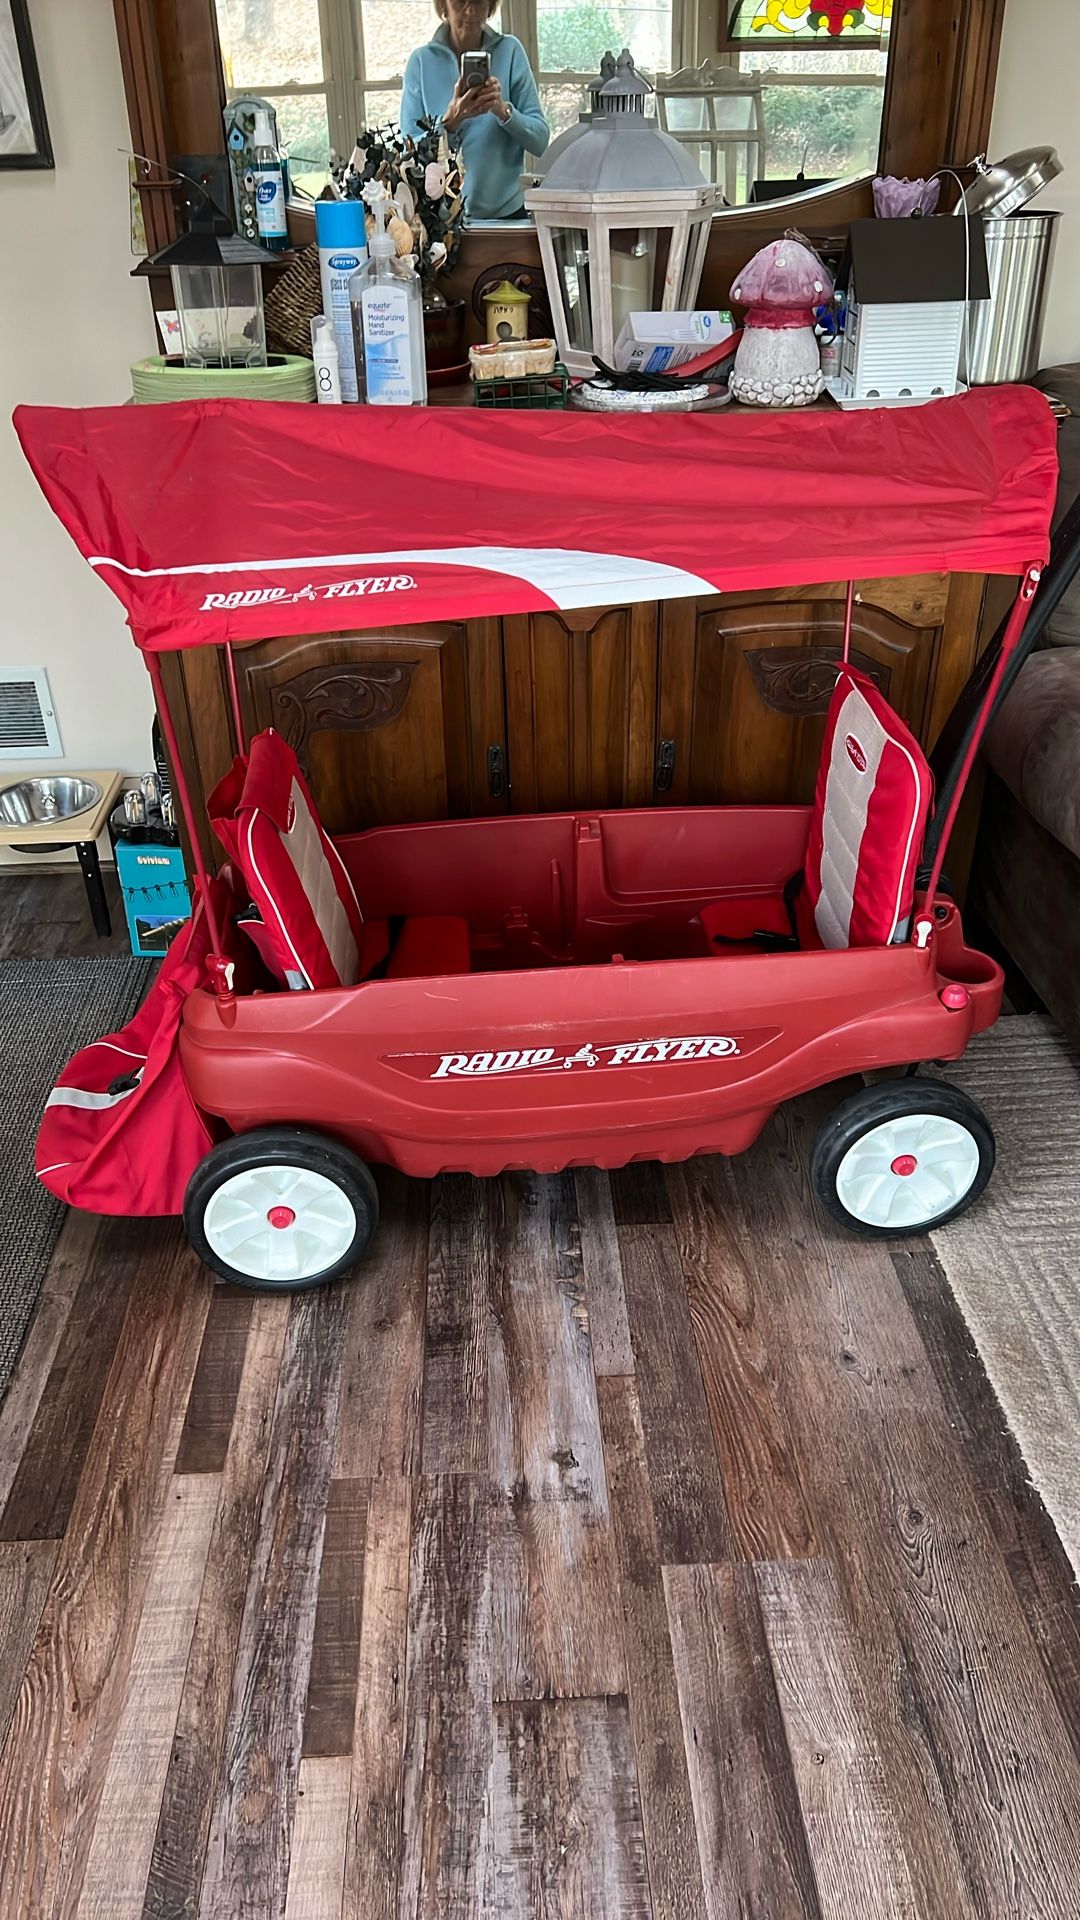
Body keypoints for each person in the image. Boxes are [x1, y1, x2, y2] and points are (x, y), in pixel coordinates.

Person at [400, 0, 549, 222]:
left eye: (480, 0)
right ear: (443, 5)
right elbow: (408, 156)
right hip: (441, 223)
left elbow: (540, 142)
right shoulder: (421, 62)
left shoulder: (510, 51)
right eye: (460, 1)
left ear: (491, 6)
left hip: (508, 218)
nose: (470, 9)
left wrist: (503, 110)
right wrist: (448, 123)